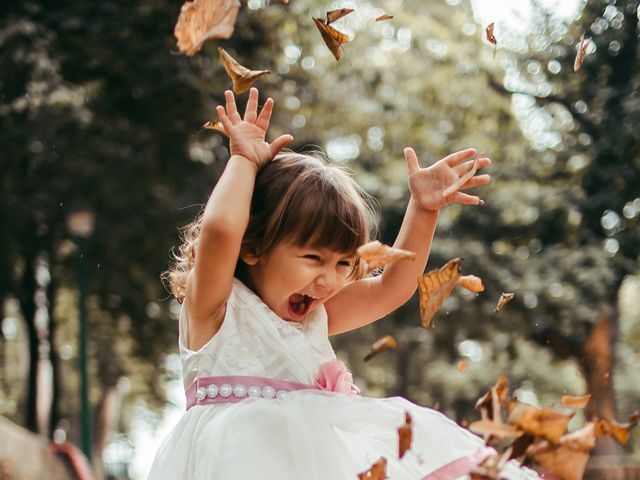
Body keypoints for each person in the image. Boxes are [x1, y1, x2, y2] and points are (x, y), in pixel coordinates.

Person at [147, 88, 539, 479]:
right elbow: (221, 230)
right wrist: (243, 161)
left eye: (344, 263)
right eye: (314, 258)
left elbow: (391, 288)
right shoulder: (215, 309)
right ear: (253, 247)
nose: (329, 279)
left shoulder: (315, 314)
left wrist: (423, 210)